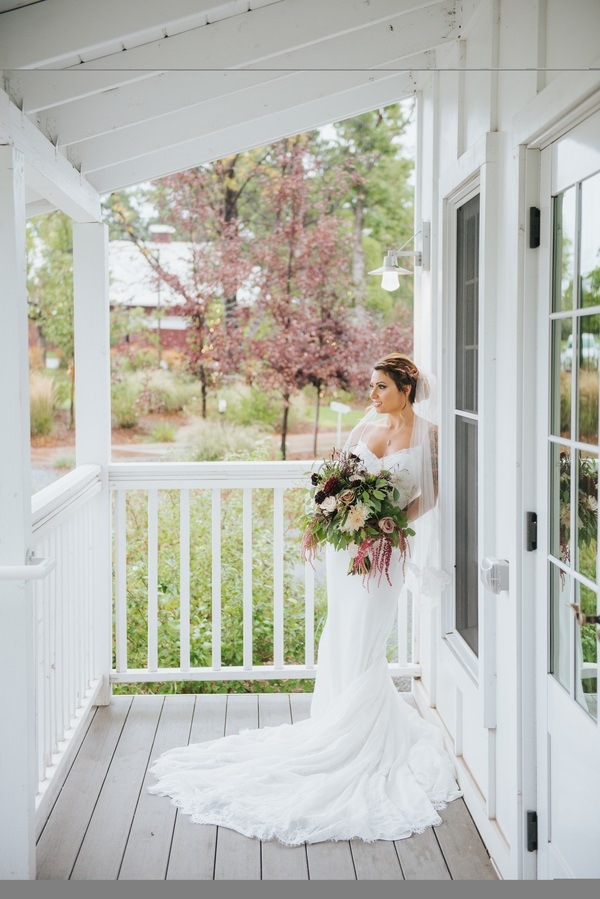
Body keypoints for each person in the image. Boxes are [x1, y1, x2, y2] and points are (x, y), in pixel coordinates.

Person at [147, 353, 462, 845]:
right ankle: (336, 721)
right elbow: (337, 487)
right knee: (342, 631)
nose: (372, 395)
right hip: (347, 553)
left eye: (381, 386)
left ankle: (355, 732)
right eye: (371, 386)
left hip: (384, 550)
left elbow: (436, 492)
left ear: (406, 387)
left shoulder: (433, 435)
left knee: (366, 636)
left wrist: (393, 524)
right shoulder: (365, 433)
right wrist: (333, 515)